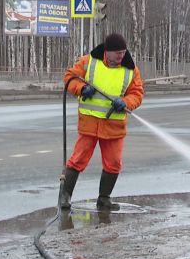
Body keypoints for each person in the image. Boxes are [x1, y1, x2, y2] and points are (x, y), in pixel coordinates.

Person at [59, 33, 144, 211]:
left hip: (114, 126)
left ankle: (104, 199)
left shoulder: (130, 70)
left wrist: (126, 102)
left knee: (113, 163)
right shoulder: (89, 61)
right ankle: (65, 197)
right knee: (78, 160)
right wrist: (82, 88)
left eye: (123, 52)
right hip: (89, 124)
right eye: (117, 53)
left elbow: (137, 93)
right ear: (107, 51)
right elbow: (69, 78)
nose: (121, 56)